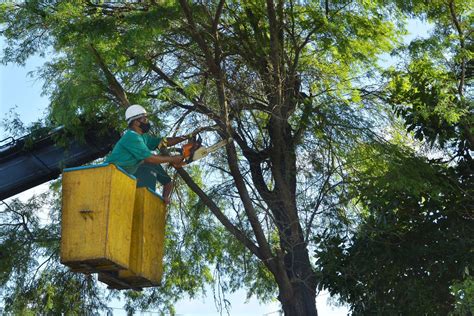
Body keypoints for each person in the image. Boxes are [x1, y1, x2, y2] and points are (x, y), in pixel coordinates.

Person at [105, 104, 190, 204]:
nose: (147, 122)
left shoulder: (143, 137)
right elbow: (149, 158)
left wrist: (185, 137)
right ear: (136, 122)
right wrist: (173, 159)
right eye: (144, 119)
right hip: (109, 175)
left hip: (121, 178)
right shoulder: (131, 137)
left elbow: (162, 142)